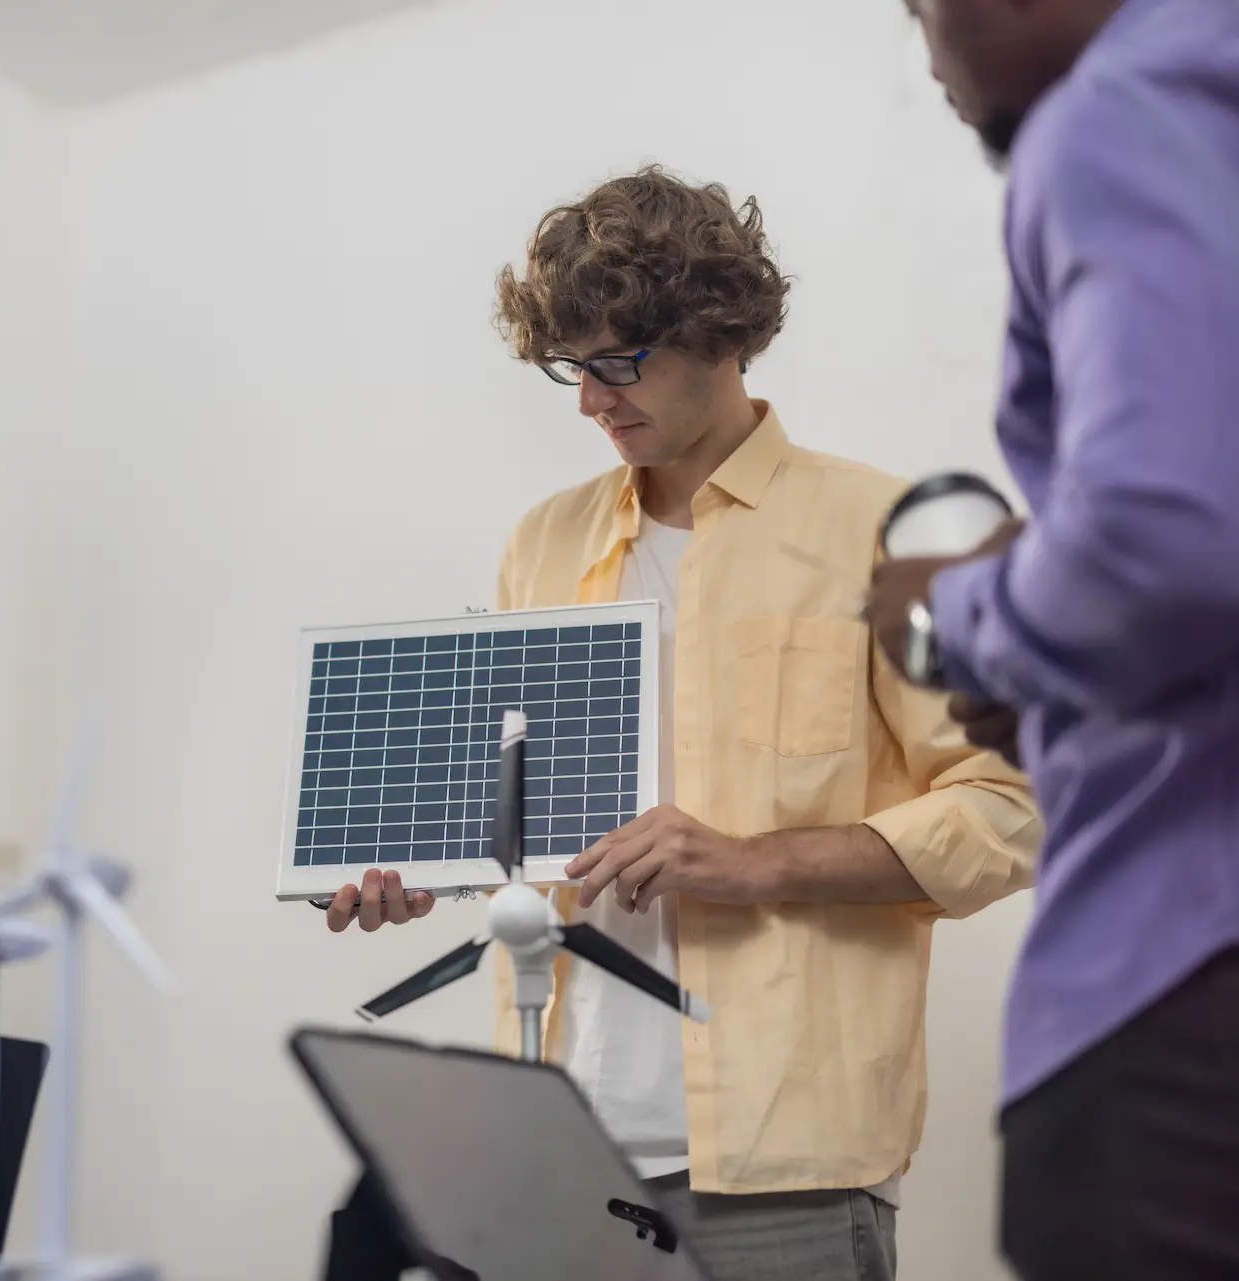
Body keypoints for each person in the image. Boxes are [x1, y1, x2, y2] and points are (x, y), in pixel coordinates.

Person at [326, 167, 1040, 1281]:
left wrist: (753, 861)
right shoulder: (542, 543)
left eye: (619, 362)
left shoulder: (891, 529)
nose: (590, 400)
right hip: (562, 1148)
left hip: (791, 1170)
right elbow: (514, 817)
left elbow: (1010, 809)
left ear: (722, 334)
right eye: (572, 368)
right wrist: (420, 861)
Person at [868, 2, 1239, 1277]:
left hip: (1179, 980)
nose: (923, 47)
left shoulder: (1116, 118)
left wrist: (954, 617)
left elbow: (1165, 544)